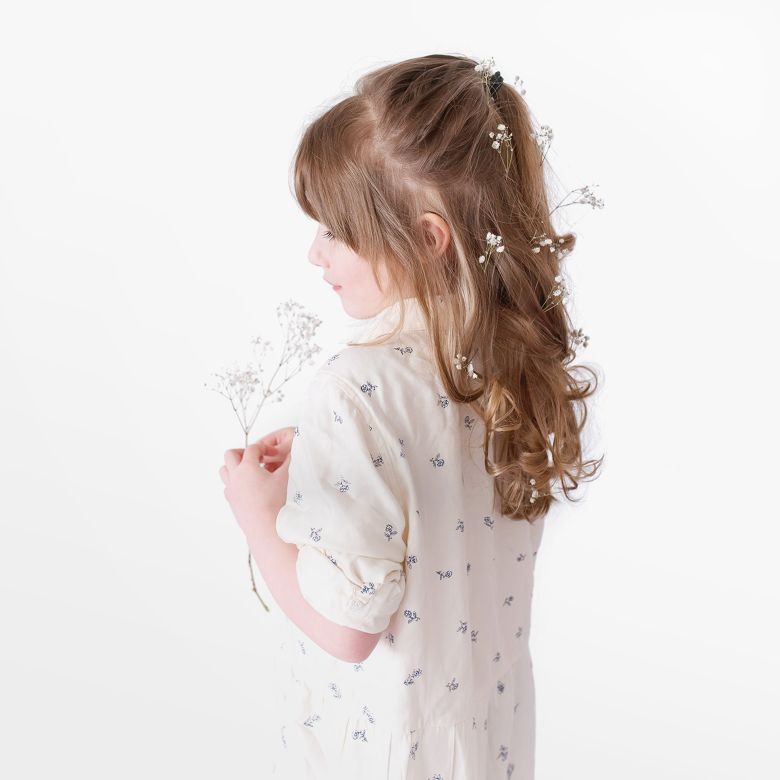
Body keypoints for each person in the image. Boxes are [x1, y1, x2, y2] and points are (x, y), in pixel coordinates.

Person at [225, 53, 603, 780]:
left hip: (384, 754)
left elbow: (348, 629)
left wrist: (257, 516)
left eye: (336, 230)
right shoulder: (507, 366)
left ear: (428, 241)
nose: (314, 252)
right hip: (488, 745)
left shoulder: (354, 391)